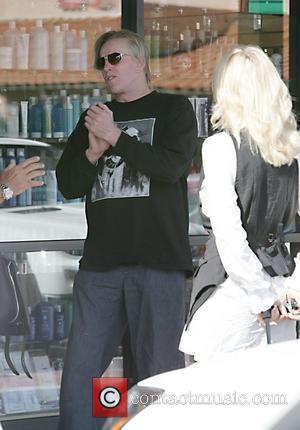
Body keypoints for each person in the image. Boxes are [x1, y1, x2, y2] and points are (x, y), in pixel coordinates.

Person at [56, 29, 197, 430]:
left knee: (157, 375)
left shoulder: (173, 110)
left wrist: (116, 138)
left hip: (158, 262)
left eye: (114, 58)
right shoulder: (93, 118)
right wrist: (93, 151)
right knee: (83, 375)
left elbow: (170, 168)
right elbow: (68, 184)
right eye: (101, 61)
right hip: (100, 266)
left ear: (138, 61)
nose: (106, 68)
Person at [179, 45, 300, 364]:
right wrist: (291, 290)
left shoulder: (220, 146)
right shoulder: (292, 150)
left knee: (216, 405)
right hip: (280, 292)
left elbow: (231, 237)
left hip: (233, 293)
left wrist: (264, 296)